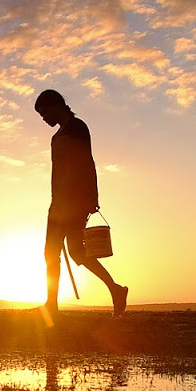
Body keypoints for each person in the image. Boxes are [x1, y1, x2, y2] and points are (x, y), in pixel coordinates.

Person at [34, 89, 128, 317]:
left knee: (77, 253)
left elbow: (87, 162)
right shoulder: (56, 137)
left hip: (75, 202)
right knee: (50, 253)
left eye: (45, 113)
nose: (44, 119)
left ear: (56, 105)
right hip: (57, 203)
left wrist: (92, 198)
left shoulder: (78, 128)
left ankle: (116, 289)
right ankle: (51, 304)